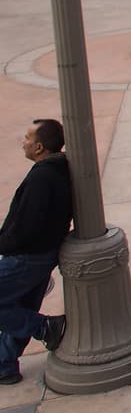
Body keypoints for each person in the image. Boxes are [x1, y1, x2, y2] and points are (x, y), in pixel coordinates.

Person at [0, 119, 71, 386]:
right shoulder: (56, 169)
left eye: (27, 138)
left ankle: (44, 327)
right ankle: (5, 364)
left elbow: (25, 228)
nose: (23, 142)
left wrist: (3, 244)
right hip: (40, 254)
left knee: (20, 310)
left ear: (39, 147)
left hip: (28, 256)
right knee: (19, 306)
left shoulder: (43, 176)